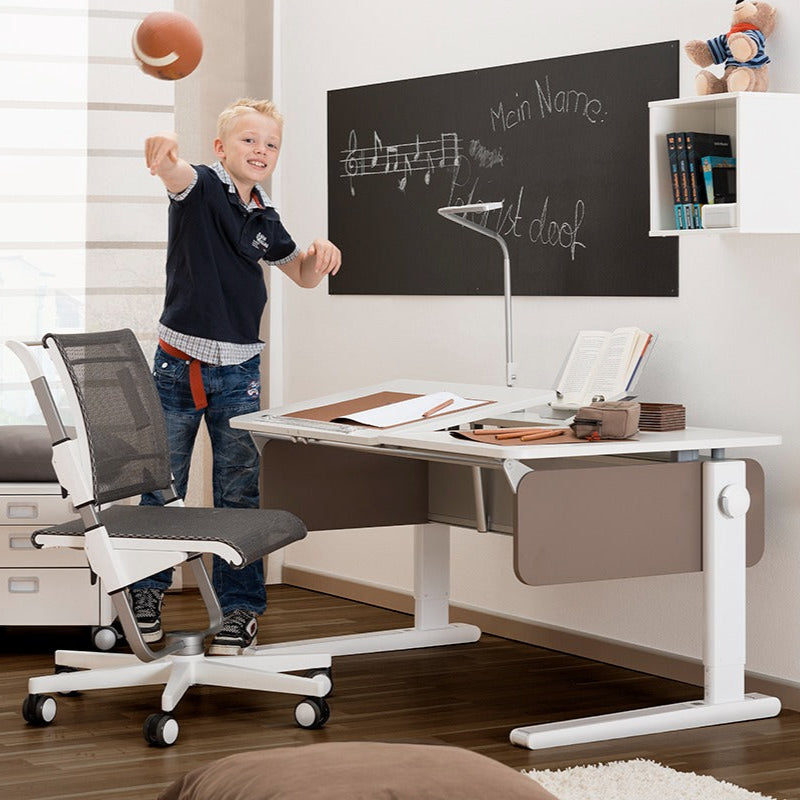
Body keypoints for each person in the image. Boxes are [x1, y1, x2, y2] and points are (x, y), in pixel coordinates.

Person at [129, 98, 341, 655]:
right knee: (161, 489)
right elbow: (173, 174)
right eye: (249, 140)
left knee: (239, 495)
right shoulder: (199, 186)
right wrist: (162, 156)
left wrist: (318, 258)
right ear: (222, 148)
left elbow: (300, 274)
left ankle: (239, 610)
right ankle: (145, 594)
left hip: (241, 369)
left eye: (270, 144)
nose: (261, 151)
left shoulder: (264, 214)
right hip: (181, 364)